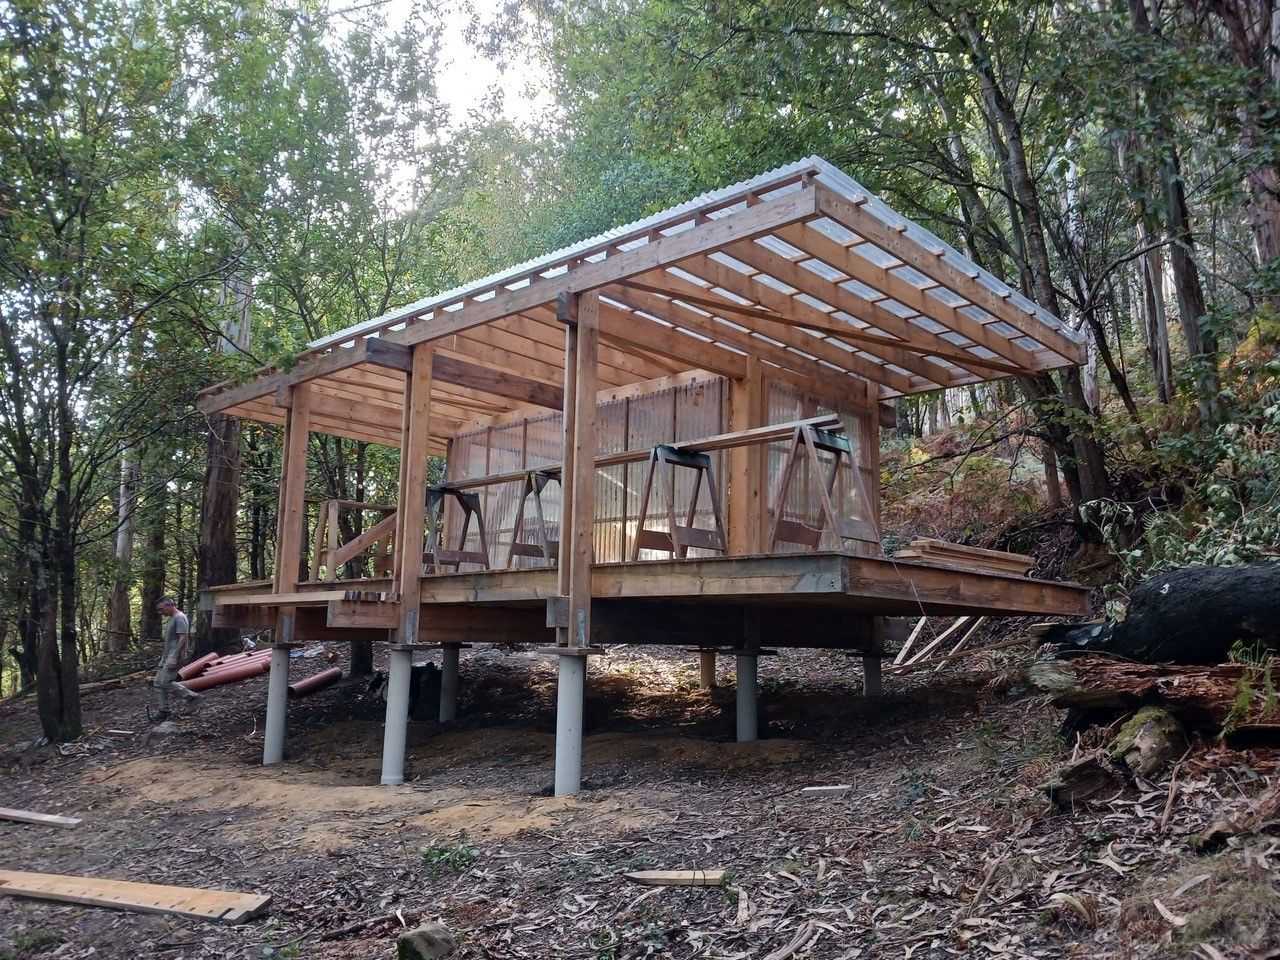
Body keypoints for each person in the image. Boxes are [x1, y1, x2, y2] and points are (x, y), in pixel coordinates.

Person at [153, 597, 200, 720]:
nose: (160, 612)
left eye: (161, 609)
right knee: (158, 683)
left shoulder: (179, 618)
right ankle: (164, 710)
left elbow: (183, 638)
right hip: (167, 656)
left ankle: (192, 697)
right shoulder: (172, 618)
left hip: (175, 656)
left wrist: (174, 657)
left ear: (169, 606)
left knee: (165, 682)